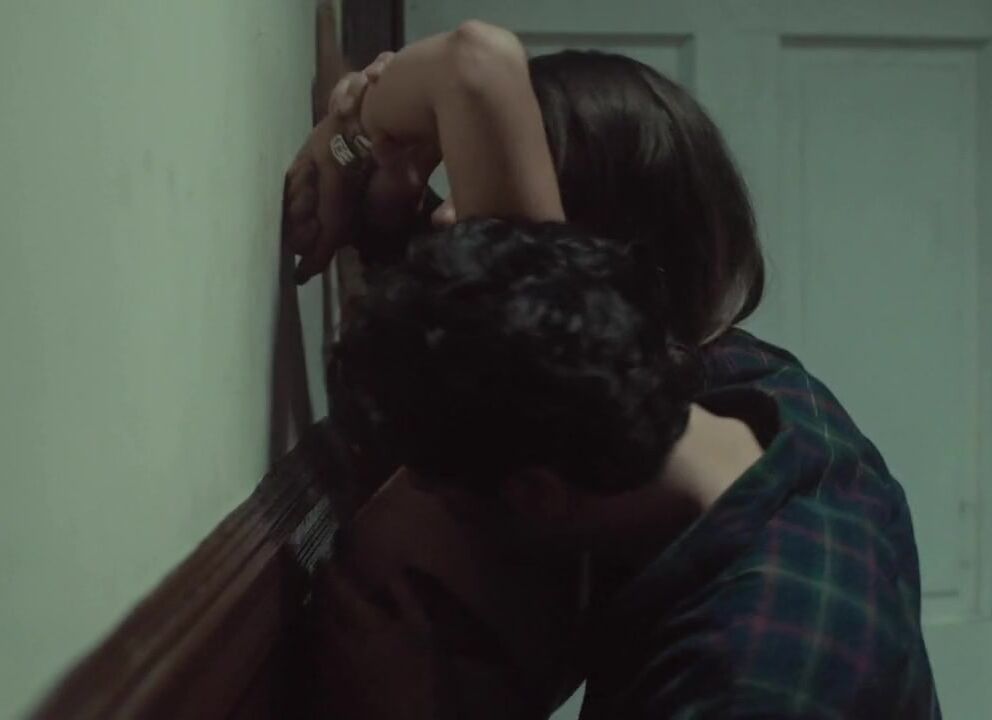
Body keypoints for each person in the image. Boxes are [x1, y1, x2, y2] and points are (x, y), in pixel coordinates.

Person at [285, 19, 940, 719]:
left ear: (536, 497)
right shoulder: (736, 389)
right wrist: (361, 156)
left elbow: (477, 68)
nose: (449, 219)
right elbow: (493, 326)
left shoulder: (753, 681)